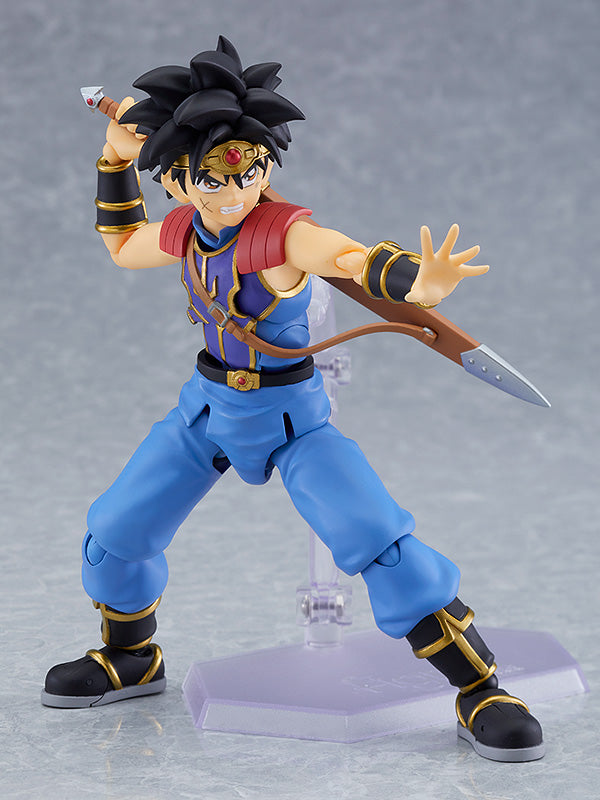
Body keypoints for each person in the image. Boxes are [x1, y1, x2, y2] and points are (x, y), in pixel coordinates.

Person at [42, 37, 544, 762]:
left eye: (250, 167)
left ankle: (480, 689)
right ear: (178, 180)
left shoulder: (282, 236)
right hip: (207, 410)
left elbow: (343, 256)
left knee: (379, 543)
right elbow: (123, 244)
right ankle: (131, 657)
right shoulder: (184, 229)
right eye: (213, 174)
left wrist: (415, 281)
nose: (236, 188)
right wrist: (115, 158)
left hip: (291, 422)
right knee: (115, 529)